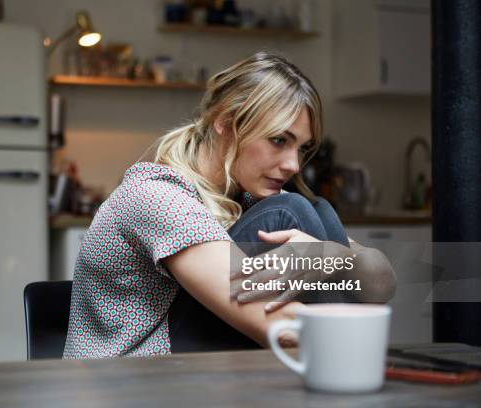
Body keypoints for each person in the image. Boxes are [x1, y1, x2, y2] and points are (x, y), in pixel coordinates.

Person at [63, 51, 396, 359]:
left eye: (302, 148)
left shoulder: (251, 195)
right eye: (279, 141)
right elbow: (283, 330)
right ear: (225, 122)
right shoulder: (157, 197)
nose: (294, 164)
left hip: (194, 374)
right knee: (292, 211)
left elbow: (382, 283)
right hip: (129, 381)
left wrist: (332, 255)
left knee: (316, 208)